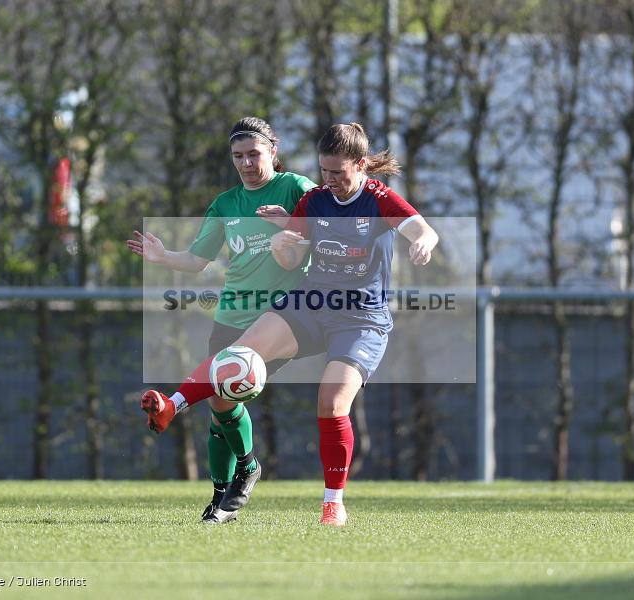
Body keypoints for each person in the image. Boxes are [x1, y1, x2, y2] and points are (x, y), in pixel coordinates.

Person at [140, 122, 440, 526]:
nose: (330, 180)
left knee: (331, 403)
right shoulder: (315, 201)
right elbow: (291, 258)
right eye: (325, 171)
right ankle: (171, 407)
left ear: (362, 165)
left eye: (338, 172)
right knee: (235, 356)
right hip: (311, 303)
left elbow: (421, 228)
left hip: (361, 318)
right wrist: (285, 246)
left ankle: (333, 502)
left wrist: (423, 241)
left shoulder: (379, 198)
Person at [127, 116, 315, 524]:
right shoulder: (225, 203)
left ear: (273, 151)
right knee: (219, 403)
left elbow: (330, 232)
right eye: (238, 156)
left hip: (280, 316)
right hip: (232, 313)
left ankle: (244, 466)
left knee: (227, 389)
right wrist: (163, 258)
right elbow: (198, 260)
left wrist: (291, 224)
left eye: (254, 153)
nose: (247, 163)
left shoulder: (296, 188)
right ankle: (220, 496)